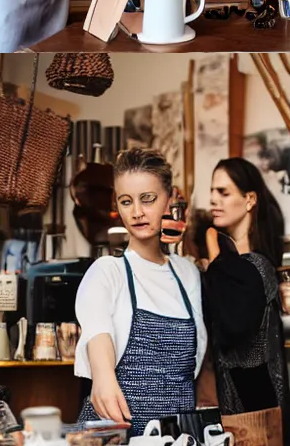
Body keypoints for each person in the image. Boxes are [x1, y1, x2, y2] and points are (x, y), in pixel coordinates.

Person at [74, 149, 207, 425]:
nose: (136, 213)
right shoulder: (107, 272)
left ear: (169, 200)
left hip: (178, 444)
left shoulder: (187, 273)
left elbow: (198, 364)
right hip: (115, 443)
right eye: (126, 201)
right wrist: (103, 376)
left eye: (148, 199)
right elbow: (98, 334)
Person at [195, 157, 290, 446]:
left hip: (256, 411)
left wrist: (212, 252)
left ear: (249, 199)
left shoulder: (255, 266)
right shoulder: (238, 267)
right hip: (241, 408)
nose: (213, 199)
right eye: (212, 191)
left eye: (223, 192)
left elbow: (233, 328)